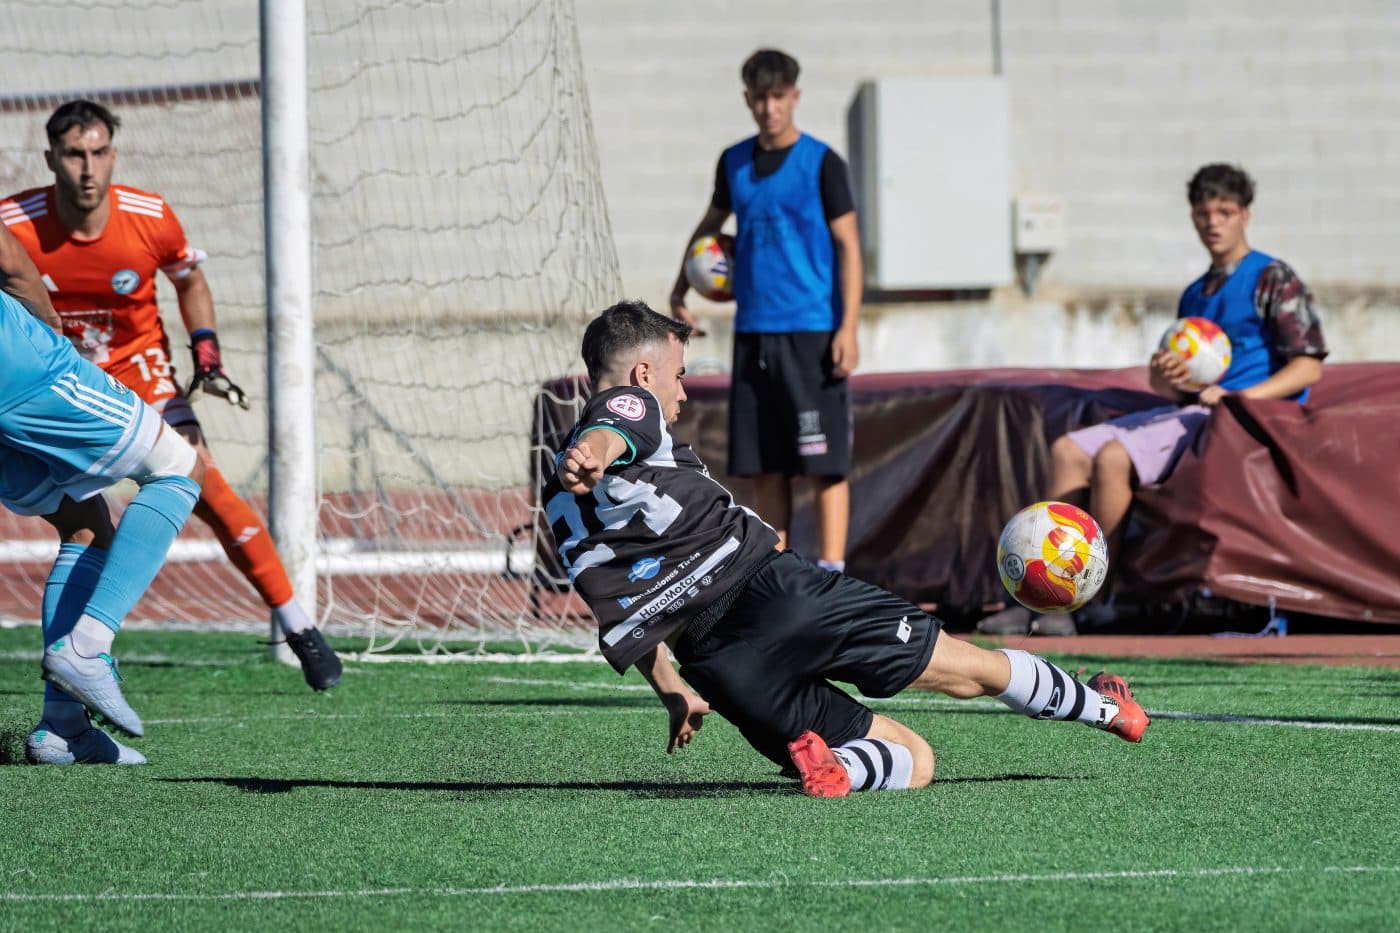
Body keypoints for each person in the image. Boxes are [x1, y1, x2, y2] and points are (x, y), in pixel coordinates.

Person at [542, 300, 1149, 797]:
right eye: (679, 375)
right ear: (644, 375)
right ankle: (1105, 709)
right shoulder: (629, 405)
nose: (684, 392)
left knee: (912, 759)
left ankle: (841, 769)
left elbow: (622, 613)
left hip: (718, 666)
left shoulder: (558, 505)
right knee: (970, 671)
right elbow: (609, 427)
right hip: (772, 594)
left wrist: (673, 692)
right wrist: (591, 452)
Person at [2, 99, 341, 689]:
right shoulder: (15, 220)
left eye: (100, 153)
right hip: (55, 380)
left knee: (202, 481)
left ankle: (296, 623)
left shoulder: (149, 217)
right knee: (88, 520)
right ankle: (82, 663)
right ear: (51, 158)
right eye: (75, 154)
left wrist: (205, 352)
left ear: (114, 155)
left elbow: (189, 279)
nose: (88, 169)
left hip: (138, 372)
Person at [979, 163, 1328, 636]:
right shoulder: (1195, 294)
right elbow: (1176, 390)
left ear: (1245, 215)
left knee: (1113, 457)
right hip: (1189, 410)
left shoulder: (1273, 278)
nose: (1213, 222)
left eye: (1225, 211)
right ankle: (1040, 594)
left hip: (1236, 419)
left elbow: (1308, 364)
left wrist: (1236, 397)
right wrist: (1165, 376)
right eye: (1204, 212)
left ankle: (1088, 598)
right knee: (1067, 450)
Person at [0, 221, 204, 765]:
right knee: (180, 466)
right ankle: (88, 646)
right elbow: (6, 253)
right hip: (19, 366)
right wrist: (47, 332)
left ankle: (63, 730)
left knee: (84, 526)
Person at [669, 49, 861, 574]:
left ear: (794, 97)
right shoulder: (734, 162)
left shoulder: (822, 163)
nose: (769, 107)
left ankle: (832, 572)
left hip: (813, 333)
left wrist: (848, 326)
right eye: (760, 97)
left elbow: (849, 246)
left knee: (824, 464)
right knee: (764, 466)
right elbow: (709, 229)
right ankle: (776, 574)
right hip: (754, 334)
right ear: (747, 100)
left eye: (779, 96)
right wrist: (679, 289)